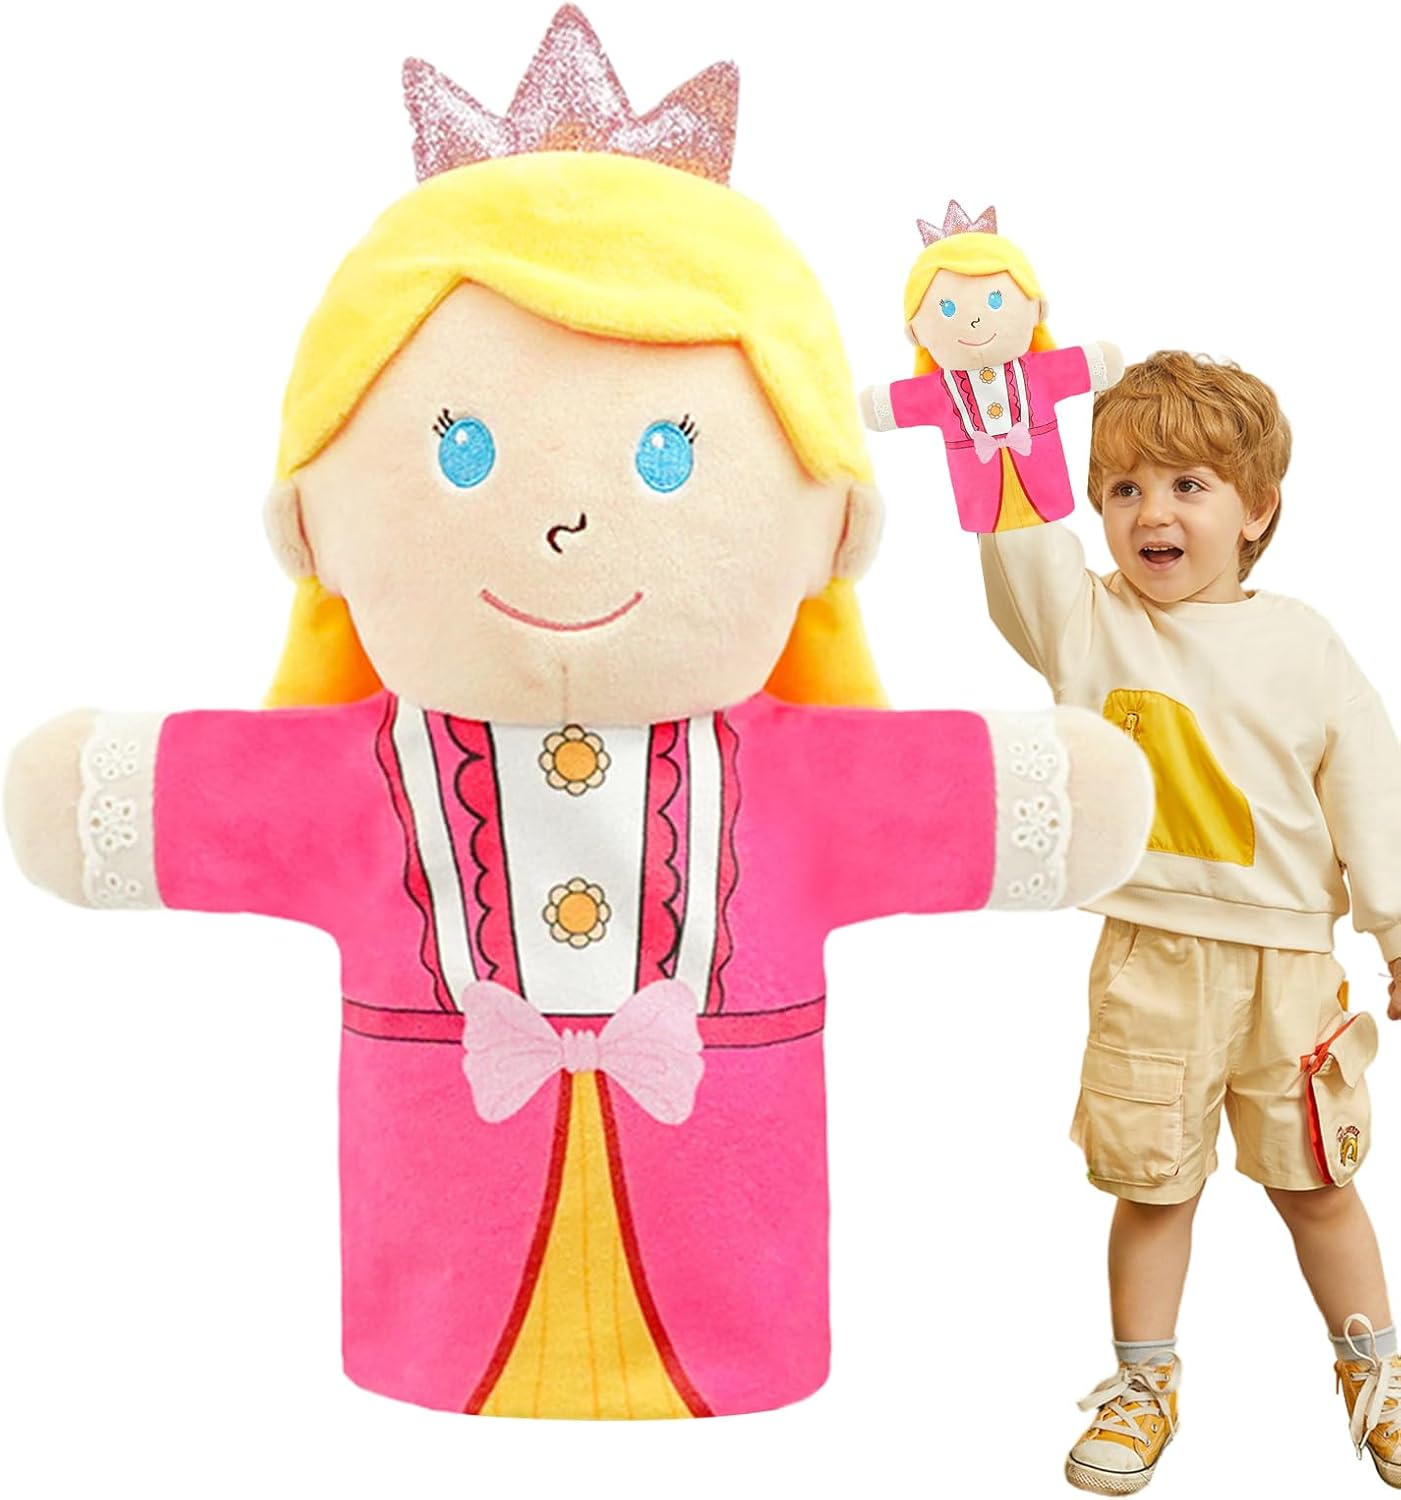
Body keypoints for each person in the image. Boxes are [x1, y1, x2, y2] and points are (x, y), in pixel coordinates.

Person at [2, 10, 1150, 1420]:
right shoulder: (365, 773)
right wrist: (100, 793)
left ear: (831, 526)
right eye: (462, 450)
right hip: (433, 1299)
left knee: (711, 1302)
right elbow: (159, 802)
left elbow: (978, 802)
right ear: (310, 520)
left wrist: (1056, 791)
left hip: (738, 1289)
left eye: (673, 453)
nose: (566, 522)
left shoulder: (792, 775)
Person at [976, 349, 1401, 1490]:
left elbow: (1372, 791)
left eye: (1187, 485)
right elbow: (1017, 542)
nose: (1150, 513)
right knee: (1153, 1187)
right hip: (1151, 959)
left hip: (1290, 969)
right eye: (1123, 488)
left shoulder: (1303, 643)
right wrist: (999, 419)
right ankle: (1143, 1384)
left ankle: (1376, 1372)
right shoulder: (1087, 623)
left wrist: (1397, 932)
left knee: (1317, 1184)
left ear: (1256, 508)